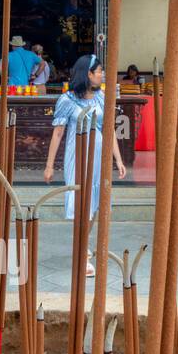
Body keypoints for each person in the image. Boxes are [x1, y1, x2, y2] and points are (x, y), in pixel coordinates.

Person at [44, 55, 128, 276]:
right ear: (88, 74)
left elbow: (109, 130)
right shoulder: (67, 100)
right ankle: (81, 254)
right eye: (99, 71)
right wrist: (49, 165)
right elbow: (58, 133)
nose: (101, 75)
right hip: (77, 155)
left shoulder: (102, 98)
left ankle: (82, 247)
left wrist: (118, 159)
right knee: (81, 204)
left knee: (94, 206)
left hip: (99, 156)